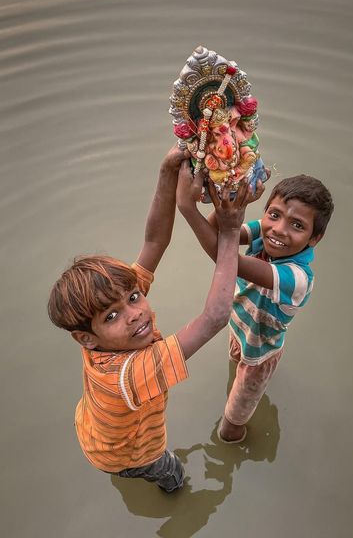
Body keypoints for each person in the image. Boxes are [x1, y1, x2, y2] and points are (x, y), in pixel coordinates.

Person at [47, 147, 254, 492]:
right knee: (169, 471)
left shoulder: (108, 327)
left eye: (133, 296)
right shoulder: (130, 374)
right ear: (85, 338)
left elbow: (154, 240)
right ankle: (173, 490)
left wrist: (167, 171)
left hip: (97, 426)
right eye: (113, 315)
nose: (136, 313)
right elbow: (216, 317)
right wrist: (230, 233)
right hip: (126, 454)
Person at [177, 171, 334, 443]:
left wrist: (187, 208)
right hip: (240, 329)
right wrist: (225, 203)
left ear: (314, 238)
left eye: (297, 225)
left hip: (261, 353)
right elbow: (218, 231)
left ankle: (233, 441)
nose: (279, 230)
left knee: (230, 425)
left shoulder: (297, 278)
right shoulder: (264, 231)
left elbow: (225, 256)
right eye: (274, 215)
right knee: (234, 368)